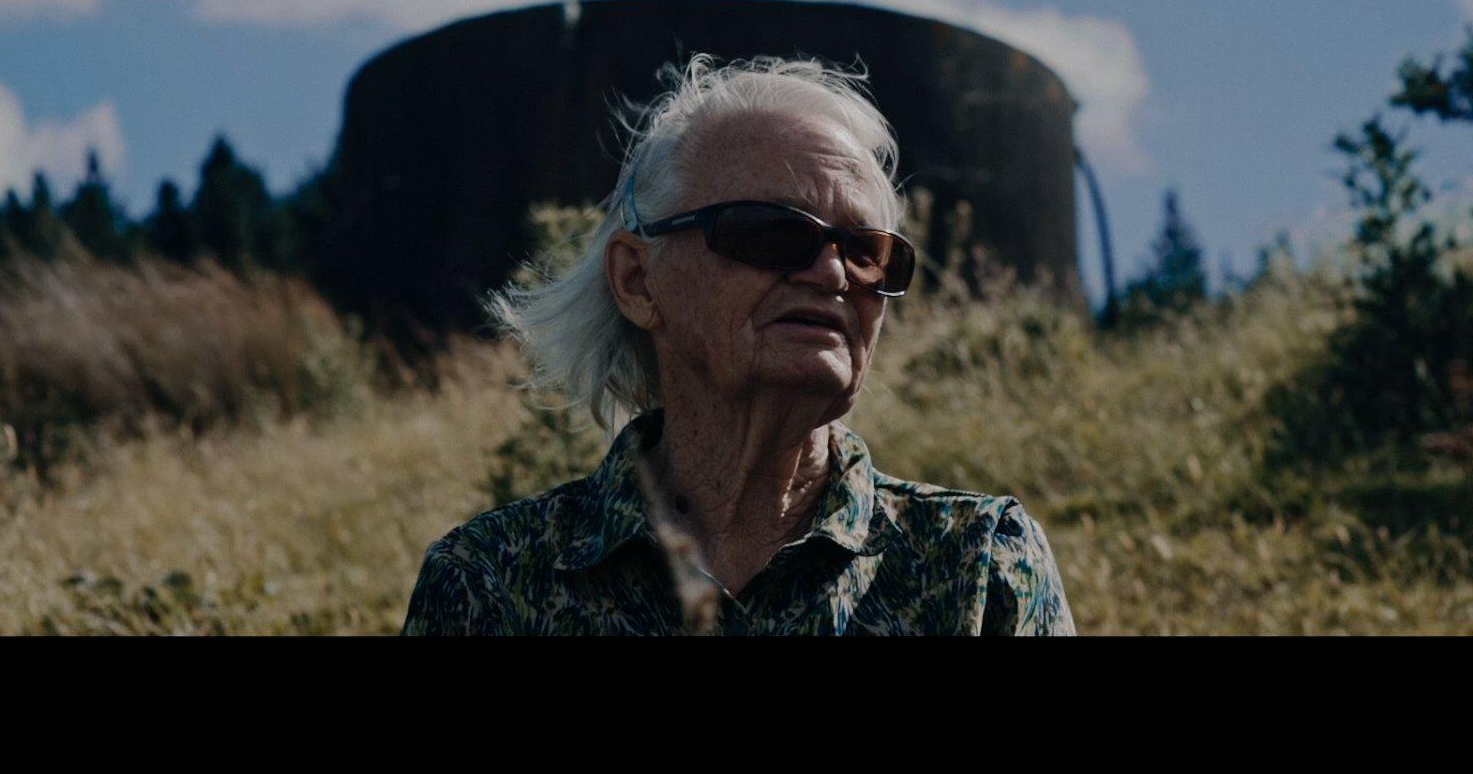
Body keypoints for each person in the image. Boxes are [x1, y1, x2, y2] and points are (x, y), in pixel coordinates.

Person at [401, 54, 1074, 635]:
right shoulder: (493, 584)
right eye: (769, 232)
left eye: (868, 252)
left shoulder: (977, 568)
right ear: (637, 282)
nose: (833, 273)